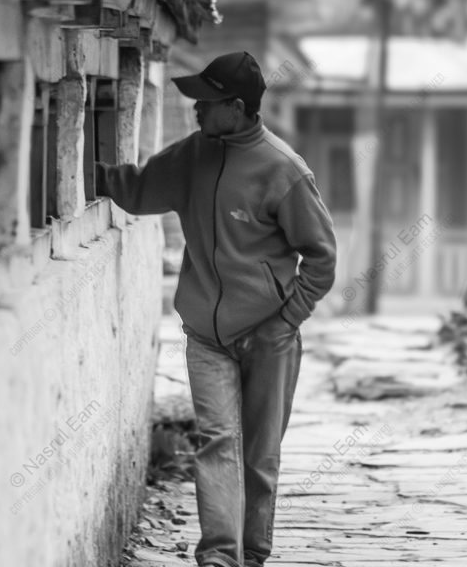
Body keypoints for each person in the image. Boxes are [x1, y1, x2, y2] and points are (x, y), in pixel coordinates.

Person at [96, 51, 336, 567]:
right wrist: (75, 167)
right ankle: (220, 558)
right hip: (206, 333)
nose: (195, 110)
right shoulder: (192, 156)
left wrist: (287, 318)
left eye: (205, 102)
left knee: (259, 454)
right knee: (216, 441)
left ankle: (252, 553)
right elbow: (137, 191)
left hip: (269, 336)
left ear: (236, 106)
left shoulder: (284, 170)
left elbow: (321, 258)